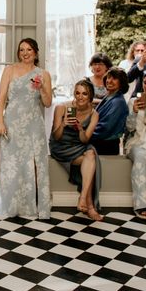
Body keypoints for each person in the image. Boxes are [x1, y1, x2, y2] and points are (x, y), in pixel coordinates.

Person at [0, 38, 52, 219]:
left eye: (29, 50)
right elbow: (2, 98)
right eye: (22, 50)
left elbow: (48, 103)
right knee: (11, 164)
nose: (25, 53)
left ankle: (33, 205)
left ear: (35, 52)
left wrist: (42, 87)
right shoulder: (9, 70)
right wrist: (0, 122)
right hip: (12, 122)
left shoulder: (43, 74)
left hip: (34, 124)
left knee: (34, 165)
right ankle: (10, 205)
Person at [49, 79, 103, 221]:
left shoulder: (94, 114)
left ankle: (83, 198)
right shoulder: (62, 107)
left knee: (90, 154)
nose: (80, 97)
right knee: (91, 162)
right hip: (61, 147)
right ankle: (89, 206)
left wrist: (80, 129)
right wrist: (64, 124)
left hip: (79, 145)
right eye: (77, 93)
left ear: (90, 96)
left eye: (84, 94)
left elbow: (85, 139)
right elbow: (56, 136)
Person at [90, 67, 129, 156]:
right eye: (108, 77)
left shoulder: (118, 102)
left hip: (106, 146)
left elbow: (106, 128)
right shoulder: (110, 96)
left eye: (114, 78)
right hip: (99, 141)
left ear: (121, 82)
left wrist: (86, 134)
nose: (109, 81)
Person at [123, 75, 146, 220]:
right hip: (136, 141)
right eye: (145, 82)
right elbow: (129, 127)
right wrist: (135, 112)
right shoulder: (133, 101)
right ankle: (142, 204)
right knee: (140, 156)